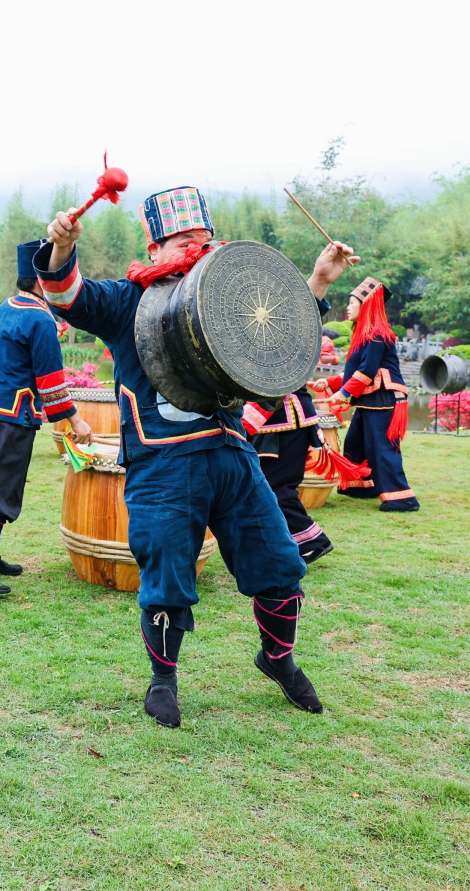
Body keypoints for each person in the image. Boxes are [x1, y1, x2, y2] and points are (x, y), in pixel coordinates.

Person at [35, 186, 359, 727]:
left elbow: (276, 329)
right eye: (182, 240)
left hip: (233, 455)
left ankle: (277, 659)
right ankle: (163, 680)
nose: (195, 247)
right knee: (166, 573)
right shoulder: (126, 301)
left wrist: (320, 279)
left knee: (279, 563)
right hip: (162, 464)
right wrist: (63, 249)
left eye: (203, 240)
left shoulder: (226, 299)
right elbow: (68, 296)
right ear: (155, 247)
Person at [0, 243, 89, 595]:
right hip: (10, 417)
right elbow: (50, 379)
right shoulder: (40, 318)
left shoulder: (3, 309)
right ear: (46, 280)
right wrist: (76, 421)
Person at [330, 277, 418, 511]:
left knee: (382, 447)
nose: (348, 307)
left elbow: (367, 371)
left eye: (352, 302)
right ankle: (363, 486)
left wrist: (344, 393)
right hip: (372, 397)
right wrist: (329, 383)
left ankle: (402, 498)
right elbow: (356, 370)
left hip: (385, 396)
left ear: (366, 305)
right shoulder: (363, 333)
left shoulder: (375, 332)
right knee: (355, 442)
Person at [240, 383, 334, 563]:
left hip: (280, 417)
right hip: (271, 417)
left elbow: (280, 377)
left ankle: (311, 542)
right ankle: (278, 545)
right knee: (266, 487)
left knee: (275, 488)